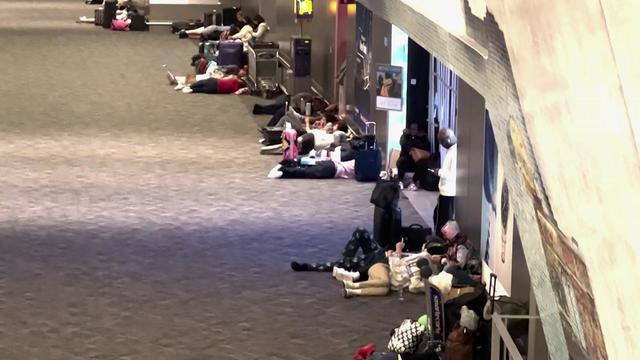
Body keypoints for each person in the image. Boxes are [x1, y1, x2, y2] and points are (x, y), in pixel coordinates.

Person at [267, 146, 355, 180]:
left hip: (331, 164)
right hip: (331, 170)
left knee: (306, 166)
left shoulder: (355, 161)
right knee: (305, 172)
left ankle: (285, 166)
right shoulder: (358, 166)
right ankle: (283, 171)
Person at [431, 128, 457, 236]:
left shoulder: (454, 153)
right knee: (439, 217)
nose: (442, 145)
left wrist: (439, 172)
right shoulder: (453, 151)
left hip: (447, 192)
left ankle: (440, 243)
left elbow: (451, 174)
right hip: (446, 191)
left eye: (442, 142)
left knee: (441, 221)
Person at [396, 122, 430, 189]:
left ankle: (413, 181)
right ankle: (400, 180)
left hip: (416, 160)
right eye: (412, 129)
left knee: (423, 163)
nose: (413, 131)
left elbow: (426, 146)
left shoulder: (423, 138)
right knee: (402, 161)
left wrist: (416, 138)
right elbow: (404, 144)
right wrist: (410, 138)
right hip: (406, 159)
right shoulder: (404, 136)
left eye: (415, 129)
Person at [181, 75, 250, 95]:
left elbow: (224, 77)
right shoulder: (236, 89)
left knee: (202, 82)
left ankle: (189, 86)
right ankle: (192, 90)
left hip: (215, 82)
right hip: (215, 90)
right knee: (202, 90)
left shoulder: (234, 78)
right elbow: (236, 93)